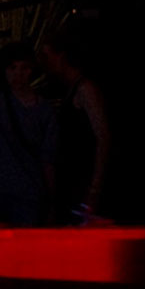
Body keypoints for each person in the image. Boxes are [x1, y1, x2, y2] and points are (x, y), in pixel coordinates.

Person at [0, 41, 58, 226]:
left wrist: (51, 201)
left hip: (18, 196)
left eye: (24, 68)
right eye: (12, 68)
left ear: (32, 70)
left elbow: (48, 159)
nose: (18, 74)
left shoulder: (44, 111)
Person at [38, 30, 110, 223]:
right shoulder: (72, 89)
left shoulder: (85, 89)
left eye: (47, 56)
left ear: (61, 56)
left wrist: (94, 188)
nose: (44, 63)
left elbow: (103, 137)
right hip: (75, 180)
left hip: (83, 181)